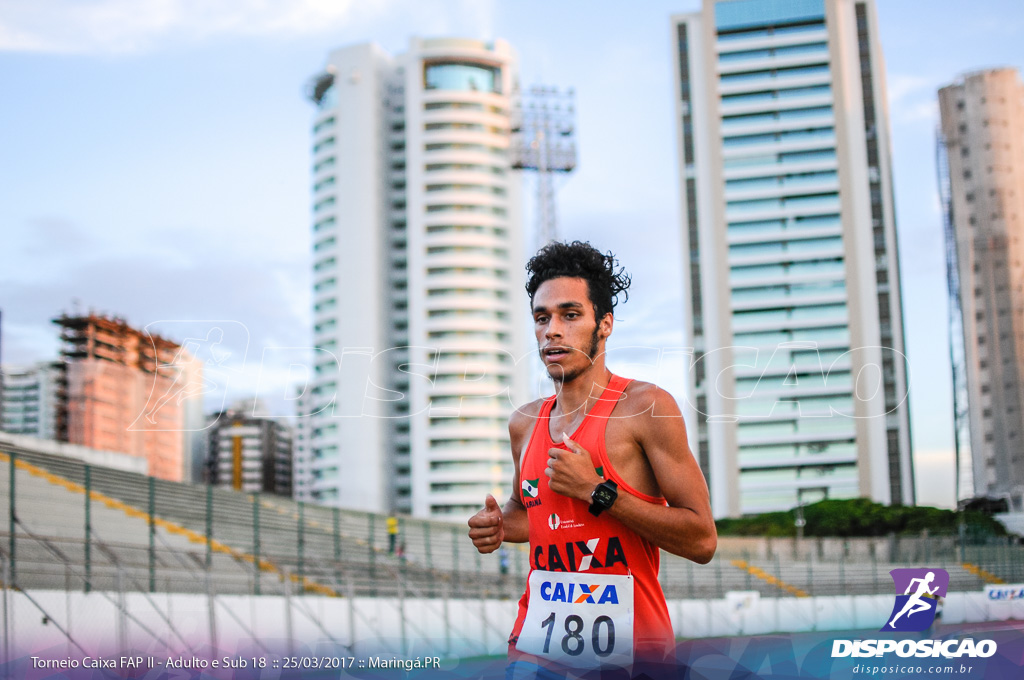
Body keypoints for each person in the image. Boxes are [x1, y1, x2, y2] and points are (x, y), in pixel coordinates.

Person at [468, 241, 717, 678]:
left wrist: (597, 492)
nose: (552, 331)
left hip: (633, 657)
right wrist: (500, 525)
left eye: (570, 315)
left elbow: (701, 541)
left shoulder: (646, 407)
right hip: (537, 652)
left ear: (604, 325)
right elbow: (533, 513)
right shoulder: (523, 423)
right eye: (541, 318)